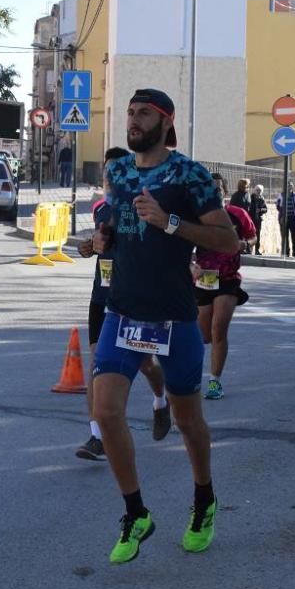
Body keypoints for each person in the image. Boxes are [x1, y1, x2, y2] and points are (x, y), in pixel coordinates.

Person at [91, 88, 238, 564]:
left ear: (165, 121)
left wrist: (172, 222)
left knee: (188, 421)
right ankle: (136, 513)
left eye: (143, 114)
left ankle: (203, 500)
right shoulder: (118, 170)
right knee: (107, 411)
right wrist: (97, 238)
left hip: (174, 317)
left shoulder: (189, 174)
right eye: (130, 114)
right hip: (124, 310)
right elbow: (118, 223)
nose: (133, 121)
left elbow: (228, 240)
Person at [76, 147, 171, 461]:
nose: (109, 177)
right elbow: (98, 245)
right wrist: (90, 247)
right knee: (95, 362)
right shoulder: (103, 209)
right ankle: (97, 437)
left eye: (116, 171)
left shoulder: (143, 205)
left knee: (145, 364)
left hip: (134, 296)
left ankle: (160, 399)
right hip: (102, 294)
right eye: (106, 172)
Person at [194, 181, 256, 400]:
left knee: (219, 329)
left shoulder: (237, 214)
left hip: (228, 279)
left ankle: (214, 382)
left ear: (224, 193)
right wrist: (192, 266)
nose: (214, 193)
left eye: (218, 189)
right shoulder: (196, 214)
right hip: (204, 280)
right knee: (203, 335)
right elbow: (183, 243)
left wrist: (244, 245)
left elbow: (252, 237)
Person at [276, 182, 295, 257]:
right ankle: (286, 252)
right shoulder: (281, 195)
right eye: (288, 186)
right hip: (283, 218)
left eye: (291, 186)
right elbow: (278, 206)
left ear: (292, 187)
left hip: (293, 218)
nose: (289, 187)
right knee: (285, 236)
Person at [249, 184, 267, 255]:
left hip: (258, 220)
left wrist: (260, 210)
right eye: (257, 190)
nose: (258, 192)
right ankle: (249, 249)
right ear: (255, 190)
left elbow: (265, 209)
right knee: (250, 234)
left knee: (257, 235)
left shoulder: (262, 199)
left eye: (260, 190)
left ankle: (257, 250)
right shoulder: (251, 197)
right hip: (251, 219)